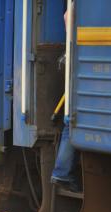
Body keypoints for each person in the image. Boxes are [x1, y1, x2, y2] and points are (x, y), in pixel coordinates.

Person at [50, 2, 81, 192]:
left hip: (71, 54)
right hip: (75, 54)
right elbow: (67, 17)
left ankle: (61, 171)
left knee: (72, 117)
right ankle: (61, 171)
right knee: (73, 119)